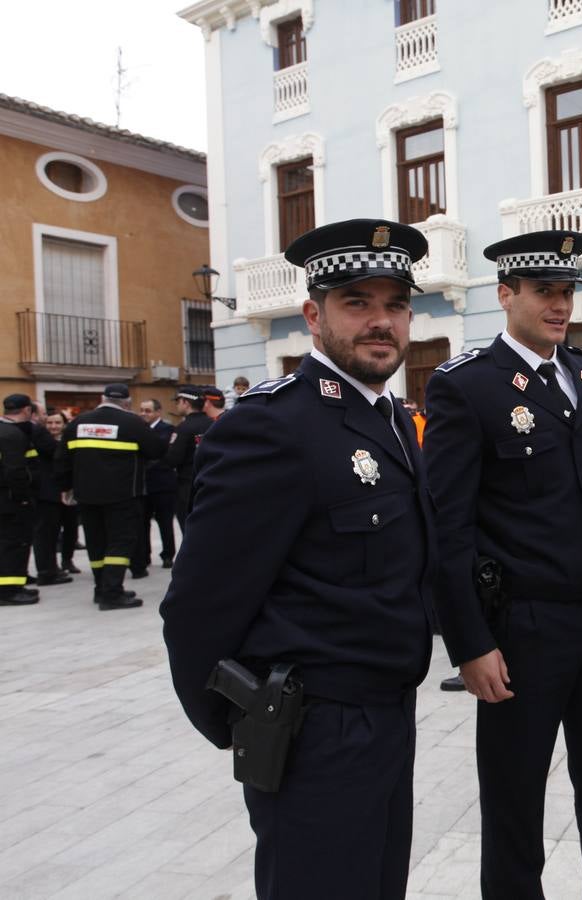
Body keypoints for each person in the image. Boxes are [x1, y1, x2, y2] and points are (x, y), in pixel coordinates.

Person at [162, 219, 435, 900]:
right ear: (314, 315)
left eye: (395, 304)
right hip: (315, 729)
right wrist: (242, 724)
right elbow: (198, 605)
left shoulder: (393, 419)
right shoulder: (271, 425)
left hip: (387, 714)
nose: (382, 322)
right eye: (357, 303)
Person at [422, 228, 582, 900]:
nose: (560, 304)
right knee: (515, 798)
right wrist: (470, 642)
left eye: (568, 290)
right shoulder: (468, 386)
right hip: (524, 628)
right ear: (506, 294)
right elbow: (449, 526)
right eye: (544, 290)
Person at [55, 384, 162, 610]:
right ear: (127, 402)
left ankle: (101, 588)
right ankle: (112, 593)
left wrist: (65, 487)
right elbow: (156, 450)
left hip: (86, 494)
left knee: (96, 543)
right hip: (123, 494)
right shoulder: (133, 423)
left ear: (102, 398)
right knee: (120, 542)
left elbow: (62, 459)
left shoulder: (78, 423)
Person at [0, 394, 41, 605]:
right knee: (14, 543)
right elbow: (16, 471)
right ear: (27, 410)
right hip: (10, 500)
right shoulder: (13, 435)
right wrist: (23, 498)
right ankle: (9, 591)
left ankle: (13, 584)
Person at [32, 410, 78, 584]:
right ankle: (47, 570)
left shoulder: (70, 441)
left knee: (71, 529)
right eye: (50, 423)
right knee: (47, 534)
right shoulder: (41, 440)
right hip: (48, 494)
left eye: (57, 423)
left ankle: (66, 561)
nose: (53, 426)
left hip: (68, 491)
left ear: (64, 425)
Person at [133, 397, 177, 574]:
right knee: (142, 522)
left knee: (165, 521)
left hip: (162, 483)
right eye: (142, 410)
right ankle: (144, 555)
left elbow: (164, 454)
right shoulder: (137, 430)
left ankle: (167, 555)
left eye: (148, 411)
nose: (144, 414)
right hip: (143, 485)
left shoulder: (167, 429)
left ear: (158, 412)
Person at [165, 386, 211, 528]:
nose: (177, 405)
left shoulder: (184, 428)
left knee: (189, 530)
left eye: (178, 401)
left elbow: (172, 459)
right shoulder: (214, 424)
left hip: (188, 488)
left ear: (186, 403)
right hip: (211, 484)